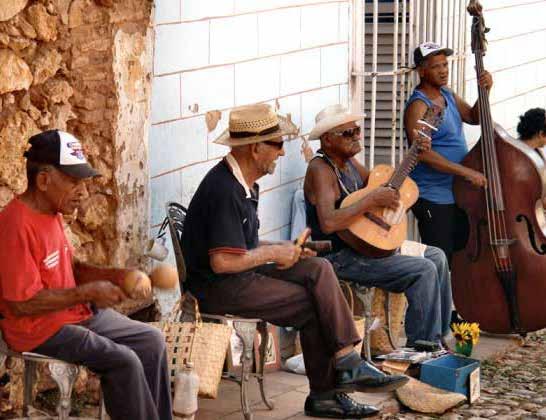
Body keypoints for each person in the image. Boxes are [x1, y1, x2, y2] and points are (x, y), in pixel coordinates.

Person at [181, 104, 408, 419]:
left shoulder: (245, 184)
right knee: (313, 304)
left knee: (318, 267)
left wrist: (288, 247)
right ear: (254, 147)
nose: (282, 153)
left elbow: (244, 245)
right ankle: (329, 391)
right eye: (277, 145)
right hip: (219, 285)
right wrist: (275, 253)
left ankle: (346, 361)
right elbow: (222, 262)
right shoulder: (224, 189)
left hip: (238, 275)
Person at [0, 130, 172, 420]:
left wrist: (117, 276)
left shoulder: (51, 213)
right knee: (124, 361)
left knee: (151, 342)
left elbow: (73, 269)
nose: (83, 192)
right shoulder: (15, 224)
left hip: (75, 314)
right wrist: (89, 293)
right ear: (43, 180)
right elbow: (21, 303)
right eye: (74, 181)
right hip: (38, 329)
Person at [304, 104, 452, 347]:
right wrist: (370, 201)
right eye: (348, 133)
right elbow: (329, 222)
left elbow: (383, 185)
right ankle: (423, 348)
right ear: (328, 140)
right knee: (423, 270)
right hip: (340, 256)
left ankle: (440, 338)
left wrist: (414, 153)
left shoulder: (349, 163)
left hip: (366, 247)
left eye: (357, 130)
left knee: (437, 256)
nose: (356, 137)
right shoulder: (320, 170)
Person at [404, 42, 492, 266]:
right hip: (433, 195)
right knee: (440, 259)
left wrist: (485, 91)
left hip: (457, 191)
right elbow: (422, 153)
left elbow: (473, 117)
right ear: (422, 71)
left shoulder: (447, 94)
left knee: (460, 255)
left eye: (445, 64)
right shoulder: (418, 106)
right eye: (436, 66)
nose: (443, 70)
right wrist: (465, 171)